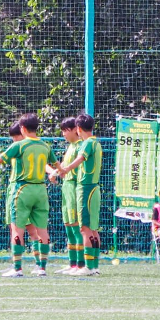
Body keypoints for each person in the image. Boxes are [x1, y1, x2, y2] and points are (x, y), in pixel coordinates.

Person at [0, 114, 57, 277]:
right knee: (40, 230)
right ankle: (41, 267)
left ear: (22, 129)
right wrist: (55, 173)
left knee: (19, 229)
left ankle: (18, 268)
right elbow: (52, 165)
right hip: (40, 190)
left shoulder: (20, 146)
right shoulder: (44, 146)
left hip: (22, 190)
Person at [53, 112, 102, 276]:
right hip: (91, 188)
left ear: (78, 128)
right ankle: (92, 266)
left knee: (85, 228)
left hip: (86, 188)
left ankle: (87, 266)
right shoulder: (94, 142)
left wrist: (66, 169)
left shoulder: (87, 143)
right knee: (91, 229)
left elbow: (80, 158)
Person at [57, 116, 83, 272]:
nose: (63, 134)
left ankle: (80, 264)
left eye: (65, 130)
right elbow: (64, 167)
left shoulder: (81, 146)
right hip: (66, 187)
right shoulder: (71, 146)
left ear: (75, 129)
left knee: (76, 227)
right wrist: (55, 172)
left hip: (73, 187)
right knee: (68, 226)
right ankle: (72, 264)